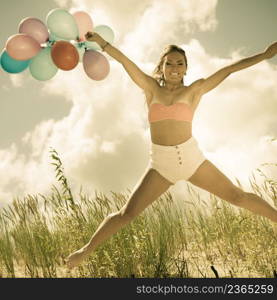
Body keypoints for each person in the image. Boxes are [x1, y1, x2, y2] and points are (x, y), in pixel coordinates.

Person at [66, 32, 277, 269]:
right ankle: (85, 251)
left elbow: (228, 70)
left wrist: (265, 55)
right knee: (127, 214)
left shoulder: (194, 90)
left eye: (180, 63)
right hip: (160, 165)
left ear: (186, 68)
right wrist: (102, 43)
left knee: (238, 197)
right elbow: (126, 62)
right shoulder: (151, 89)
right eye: (170, 63)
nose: (175, 67)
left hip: (191, 158)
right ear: (162, 67)